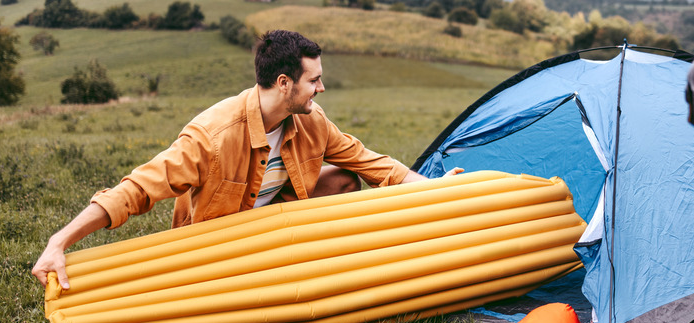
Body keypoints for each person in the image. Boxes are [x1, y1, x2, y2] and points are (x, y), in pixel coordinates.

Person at [31, 29, 462, 289]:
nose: (322, 89)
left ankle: (308, 261)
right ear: (283, 82)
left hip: (278, 225)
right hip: (217, 241)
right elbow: (137, 190)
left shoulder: (313, 121)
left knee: (345, 177)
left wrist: (433, 190)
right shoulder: (212, 135)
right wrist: (59, 243)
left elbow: (370, 162)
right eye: (315, 81)